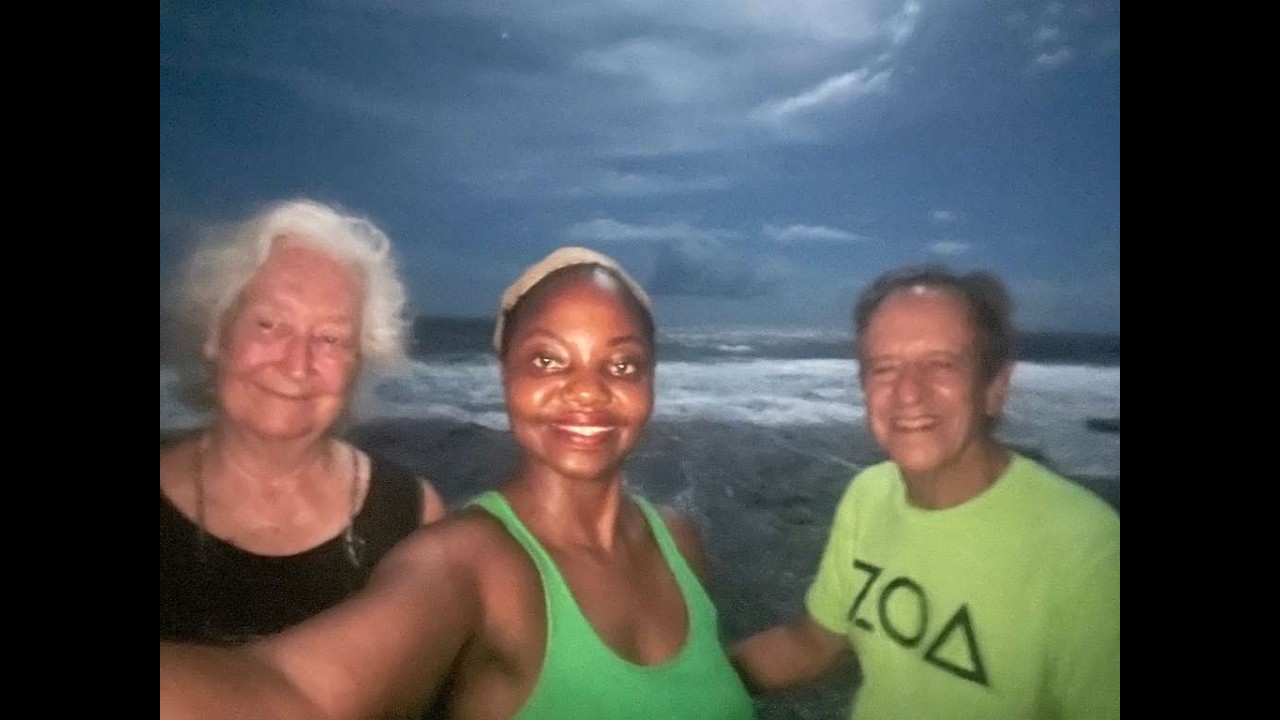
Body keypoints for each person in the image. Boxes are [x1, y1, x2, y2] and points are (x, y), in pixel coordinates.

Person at [160, 247, 755, 720]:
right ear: (504, 376)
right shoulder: (464, 561)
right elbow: (296, 693)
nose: (586, 390)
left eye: (622, 364)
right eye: (547, 360)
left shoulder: (679, 542)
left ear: (651, 382)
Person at [730, 265, 1120, 720]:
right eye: (884, 369)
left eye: (940, 364)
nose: (908, 393)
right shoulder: (868, 495)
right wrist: (676, 687)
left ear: (994, 387)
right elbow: (814, 643)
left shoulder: (1089, 551)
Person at [160, 198, 446, 645]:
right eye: (270, 324)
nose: (297, 364)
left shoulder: (413, 517)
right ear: (217, 335)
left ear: (359, 362)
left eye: (330, 338)